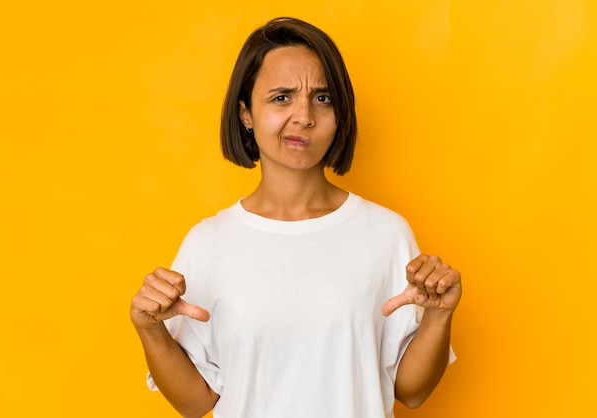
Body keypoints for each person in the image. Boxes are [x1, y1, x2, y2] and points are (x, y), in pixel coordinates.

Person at [130, 17, 462, 418]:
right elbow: (195, 402)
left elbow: (410, 391)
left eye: (322, 98)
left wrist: (438, 317)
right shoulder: (208, 243)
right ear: (246, 114)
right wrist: (151, 329)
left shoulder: (385, 233)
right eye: (281, 97)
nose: (304, 116)